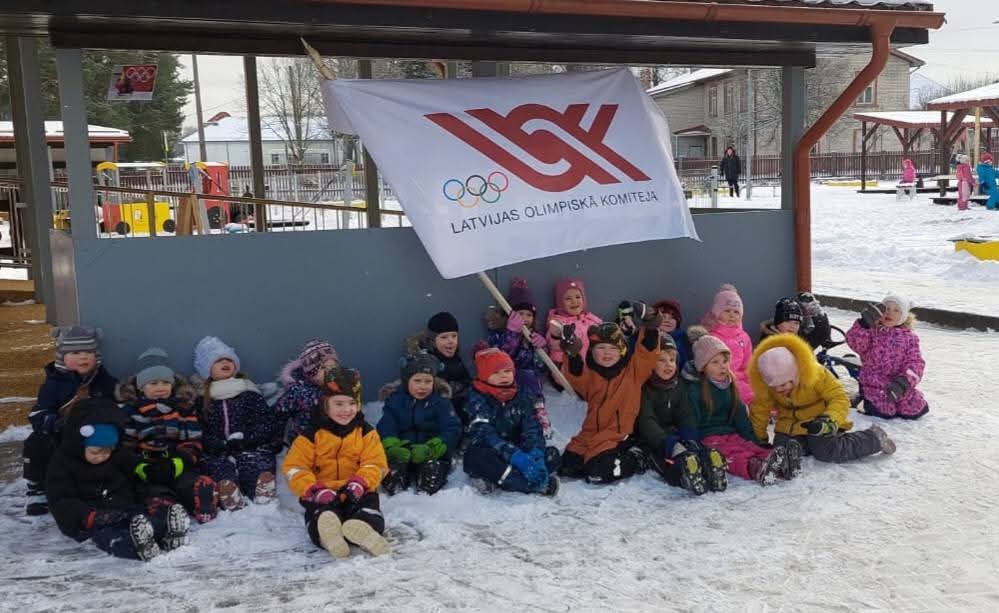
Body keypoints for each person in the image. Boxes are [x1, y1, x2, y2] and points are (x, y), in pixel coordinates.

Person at [47, 398, 190, 561]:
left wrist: (150, 492)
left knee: (144, 518)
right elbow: (61, 499)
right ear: (79, 443)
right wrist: (89, 517)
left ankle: (167, 534)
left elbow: (135, 475)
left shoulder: (118, 456)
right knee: (110, 536)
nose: (102, 456)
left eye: (108, 451)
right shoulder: (62, 463)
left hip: (125, 509)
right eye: (95, 451)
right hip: (95, 519)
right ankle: (138, 547)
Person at [283, 367, 391, 558]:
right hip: (322, 494)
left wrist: (361, 483)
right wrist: (313, 490)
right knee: (320, 517)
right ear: (326, 404)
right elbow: (295, 467)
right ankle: (328, 537)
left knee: (370, 512)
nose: (346, 410)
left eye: (352, 403)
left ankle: (364, 529)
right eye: (339, 403)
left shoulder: (366, 433)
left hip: (358, 491)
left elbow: (376, 463)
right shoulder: (311, 435)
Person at [748, 334, 896, 465]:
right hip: (790, 427)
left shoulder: (816, 374)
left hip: (821, 424)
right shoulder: (767, 386)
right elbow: (760, 411)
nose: (781, 389)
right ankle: (804, 447)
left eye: (785, 383)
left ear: (795, 374)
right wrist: (759, 439)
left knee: (826, 451)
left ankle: (873, 438)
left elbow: (839, 398)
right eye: (776, 386)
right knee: (782, 448)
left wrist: (829, 420)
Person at [558, 302, 661, 484]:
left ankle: (637, 457)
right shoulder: (592, 375)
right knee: (568, 467)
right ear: (592, 351)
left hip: (617, 435)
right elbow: (576, 376)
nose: (607, 353)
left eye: (613, 348)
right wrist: (572, 353)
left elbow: (647, 352)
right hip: (589, 434)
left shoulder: (633, 372)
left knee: (598, 472)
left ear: (622, 351)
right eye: (601, 348)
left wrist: (651, 324)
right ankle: (593, 459)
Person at [22, 325, 118, 516]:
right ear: (62, 357)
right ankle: (37, 488)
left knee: (114, 446)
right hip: (61, 433)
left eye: (88, 352)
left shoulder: (104, 380)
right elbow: (39, 412)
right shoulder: (54, 384)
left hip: (94, 434)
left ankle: (100, 486)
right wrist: (51, 422)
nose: (83, 357)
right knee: (36, 442)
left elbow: (116, 403)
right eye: (75, 353)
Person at [119, 348, 217, 524]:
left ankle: (200, 499)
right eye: (153, 383)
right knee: (152, 489)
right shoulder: (131, 412)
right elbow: (126, 445)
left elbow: (192, 439)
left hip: (176, 460)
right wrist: (140, 466)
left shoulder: (182, 409)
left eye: (165, 382)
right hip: (147, 463)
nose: (160, 388)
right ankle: (165, 507)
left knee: (186, 481)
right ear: (141, 387)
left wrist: (181, 460)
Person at [683, 334, 787, 486]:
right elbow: (690, 420)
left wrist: (755, 441)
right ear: (703, 366)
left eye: (725, 361)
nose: (723, 366)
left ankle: (779, 461)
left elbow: (740, 418)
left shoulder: (729, 385)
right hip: (708, 438)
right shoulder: (695, 389)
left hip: (730, 433)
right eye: (715, 362)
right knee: (734, 454)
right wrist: (695, 447)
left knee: (748, 447)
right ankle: (754, 468)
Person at [194, 336, 280, 510]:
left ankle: (259, 489)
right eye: (218, 361)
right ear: (207, 369)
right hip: (219, 450)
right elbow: (201, 428)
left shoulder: (248, 391)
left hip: (249, 444)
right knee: (216, 466)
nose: (225, 363)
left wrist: (248, 439)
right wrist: (215, 444)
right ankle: (229, 493)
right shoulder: (203, 398)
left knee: (256, 461)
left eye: (229, 359)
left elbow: (264, 420)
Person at [637, 333, 727, 495]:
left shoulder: (678, 385)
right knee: (665, 460)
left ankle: (709, 465)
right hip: (653, 440)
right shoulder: (645, 388)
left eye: (672, 360)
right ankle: (684, 474)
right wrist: (668, 443)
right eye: (661, 360)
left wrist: (689, 436)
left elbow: (685, 414)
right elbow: (646, 421)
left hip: (674, 433)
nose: (668, 365)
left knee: (693, 447)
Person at [463, 348, 561, 495]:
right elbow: (483, 433)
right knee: (476, 458)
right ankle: (530, 484)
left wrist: (536, 454)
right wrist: (513, 455)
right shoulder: (477, 397)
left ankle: (523, 476)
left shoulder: (522, 395)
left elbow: (532, 428)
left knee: (551, 454)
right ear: (484, 375)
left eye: (507, 371)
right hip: (492, 450)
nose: (504, 375)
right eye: (496, 372)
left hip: (519, 448)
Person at [378, 353, 461, 495]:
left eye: (428, 381)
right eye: (417, 381)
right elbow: (387, 425)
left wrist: (434, 448)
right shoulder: (395, 400)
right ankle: (399, 484)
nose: (423, 386)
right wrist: (392, 446)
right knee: (393, 477)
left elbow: (452, 428)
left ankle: (428, 477)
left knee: (430, 477)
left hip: (430, 452)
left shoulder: (441, 401)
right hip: (403, 451)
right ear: (406, 380)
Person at [483, 277, 552, 437]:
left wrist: (541, 350)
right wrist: (512, 334)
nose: (525, 319)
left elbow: (540, 368)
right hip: (504, 380)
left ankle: (538, 415)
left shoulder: (532, 336)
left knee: (528, 376)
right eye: (520, 314)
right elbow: (501, 357)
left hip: (528, 384)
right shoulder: (498, 334)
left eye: (529, 315)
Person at [846, 294, 928, 420]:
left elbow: (915, 362)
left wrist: (904, 382)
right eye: (887, 309)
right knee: (884, 411)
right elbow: (856, 343)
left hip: (896, 383)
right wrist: (864, 325)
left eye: (896, 310)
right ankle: (865, 401)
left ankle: (901, 393)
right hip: (873, 382)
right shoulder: (872, 332)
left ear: (904, 316)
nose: (890, 313)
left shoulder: (910, 338)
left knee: (914, 409)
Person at [275, 339, 339, 447]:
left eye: (334, 367)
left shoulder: (339, 387)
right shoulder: (298, 391)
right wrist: (277, 438)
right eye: (324, 368)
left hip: (331, 440)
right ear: (312, 373)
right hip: (303, 440)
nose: (332, 372)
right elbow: (280, 412)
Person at [700, 284, 754, 404]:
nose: (732, 315)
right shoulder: (711, 336)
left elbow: (748, 365)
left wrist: (745, 378)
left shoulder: (744, 337)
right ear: (717, 312)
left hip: (739, 380)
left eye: (736, 312)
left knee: (755, 393)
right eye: (727, 311)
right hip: (716, 380)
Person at [544, 278, 602, 372]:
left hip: (592, 370)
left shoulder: (590, 319)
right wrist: (559, 339)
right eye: (568, 298)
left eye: (578, 297)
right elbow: (552, 343)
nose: (574, 301)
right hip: (567, 371)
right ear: (560, 302)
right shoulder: (558, 322)